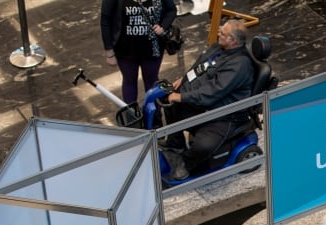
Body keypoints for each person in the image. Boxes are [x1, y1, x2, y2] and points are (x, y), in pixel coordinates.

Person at [160, 18, 254, 180]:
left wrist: (182, 96)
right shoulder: (219, 48)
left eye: (222, 33)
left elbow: (211, 93)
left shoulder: (239, 65)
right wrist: (183, 80)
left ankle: (185, 164)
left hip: (224, 115)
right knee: (170, 104)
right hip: (208, 104)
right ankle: (175, 145)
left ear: (233, 40)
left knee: (203, 145)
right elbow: (199, 66)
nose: (218, 33)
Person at [100, 0, 177, 104]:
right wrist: (109, 52)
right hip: (125, 50)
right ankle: (132, 116)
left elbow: (171, 10)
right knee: (129, 81)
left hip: (153, 49)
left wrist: (163, 26)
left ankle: (154, 116)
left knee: (152, 81)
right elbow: (105, 20)